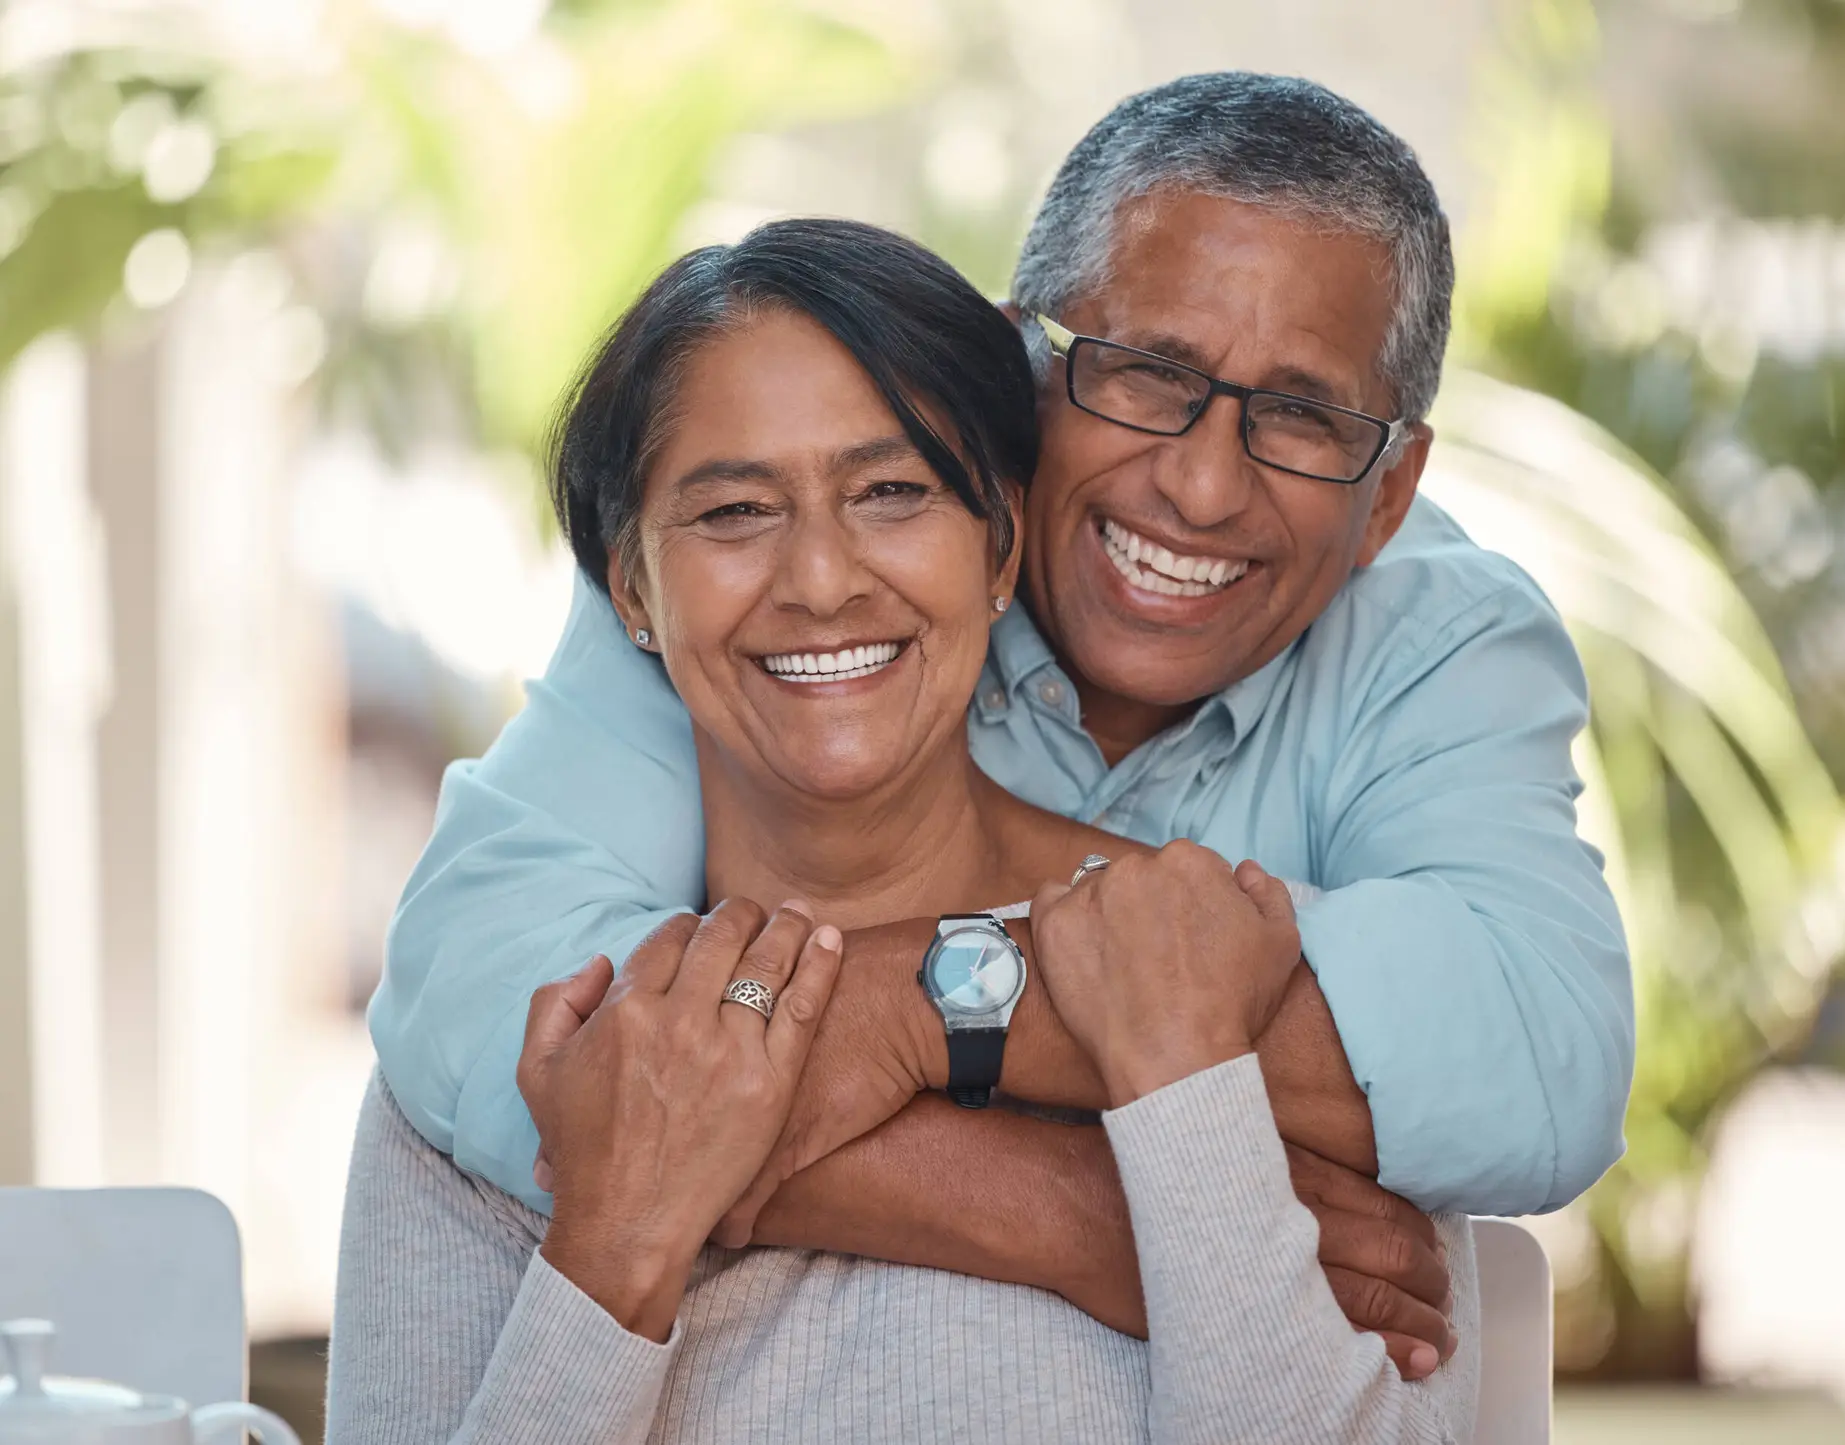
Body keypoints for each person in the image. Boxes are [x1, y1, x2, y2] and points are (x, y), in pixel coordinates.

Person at [373, 72, 1632, 1368]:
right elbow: (497, 1001)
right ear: (1020, 363)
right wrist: (1078, 1213)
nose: (1200, 487)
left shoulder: (1441, 639)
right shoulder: (752, 575)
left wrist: (922, 1008)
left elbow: (1539, 1055)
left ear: (1389, 494)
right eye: (1147, 375)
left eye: (1301, 418)